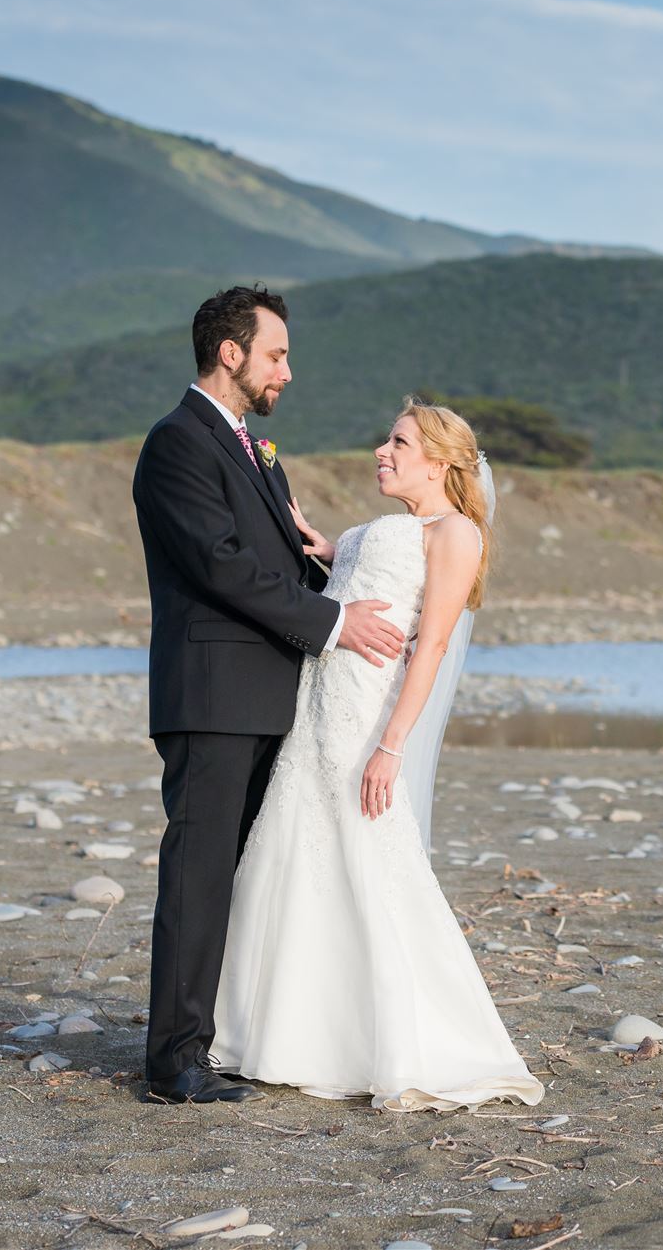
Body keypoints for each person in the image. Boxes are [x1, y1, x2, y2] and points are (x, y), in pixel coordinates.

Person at [208, 395, 545, 1112]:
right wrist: (332, 547)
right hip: (316, 712)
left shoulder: (455, 532)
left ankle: (403, 1040)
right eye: (385, 440)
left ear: (442, 462)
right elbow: (359, 587)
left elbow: (432, 645)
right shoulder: (388, 527)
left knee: (370, 863)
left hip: (366, 721)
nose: (380, 452)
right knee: (296, 856)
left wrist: (392, 745)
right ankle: (279, 1035)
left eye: (398, 443)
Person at [131, 285, 405, 1106]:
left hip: (267, 694)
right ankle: (172, 1060)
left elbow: (277, 564)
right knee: (199, 873)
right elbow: (219, 565)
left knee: (245, 875)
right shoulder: (177, 443)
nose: (288, 368)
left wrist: (340, 571)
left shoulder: (257, 449)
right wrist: (333, 622)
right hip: (211, 694)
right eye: (277, 353)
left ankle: (222, 1036)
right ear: (231, 353)